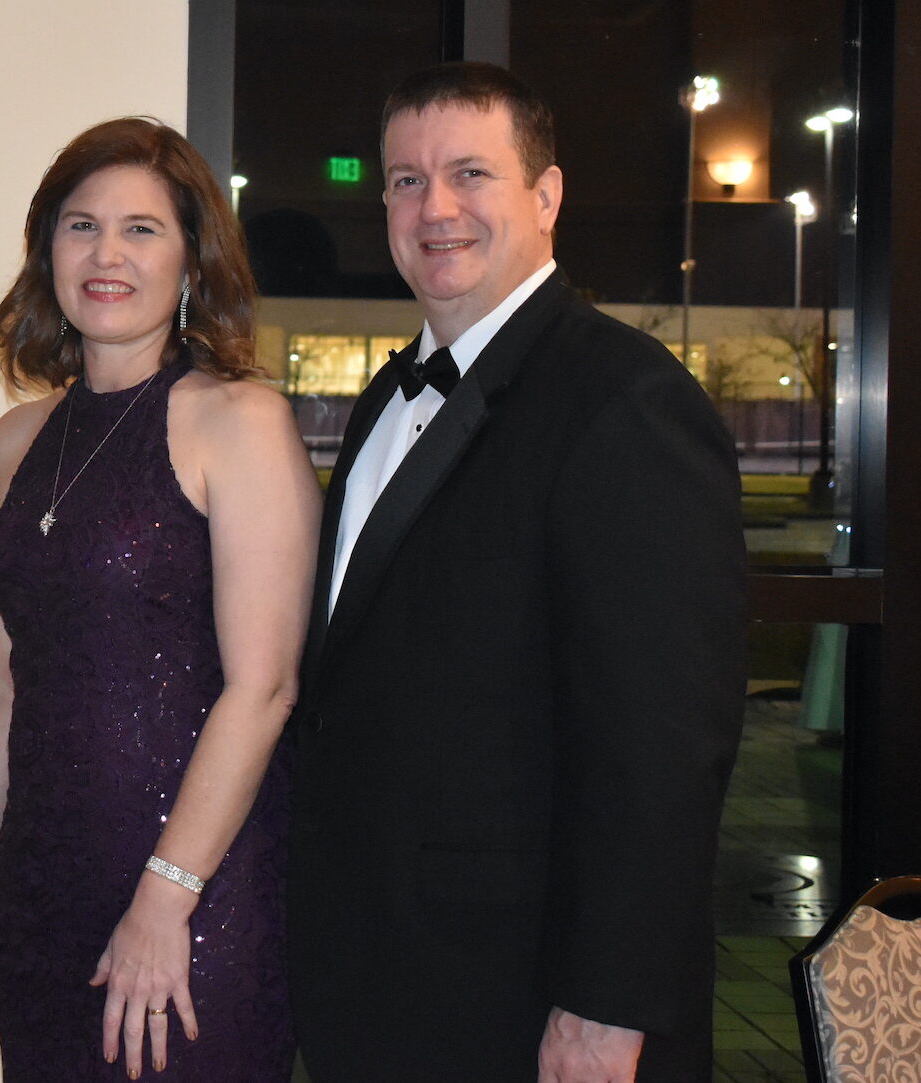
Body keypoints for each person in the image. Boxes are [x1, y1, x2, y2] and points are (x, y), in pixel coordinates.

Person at [284, 62, 746, 1082]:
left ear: (545, 195)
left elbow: (662, 749)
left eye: (470, 174)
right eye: (405, 180)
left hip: (527, 1002)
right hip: (382, 980)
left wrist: (605, 1006)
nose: (434, 208)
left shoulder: (625, 402)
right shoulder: (380, 403)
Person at [0, 117, 320, 1081]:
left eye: (141, 229)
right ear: (47, 252)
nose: (107, 254)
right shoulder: (12, 444)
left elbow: (264, 688)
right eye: (82, 226)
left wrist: (164, 896)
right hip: (41, 895)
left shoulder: (240, 422)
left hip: (198, 902)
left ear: (190, 258)